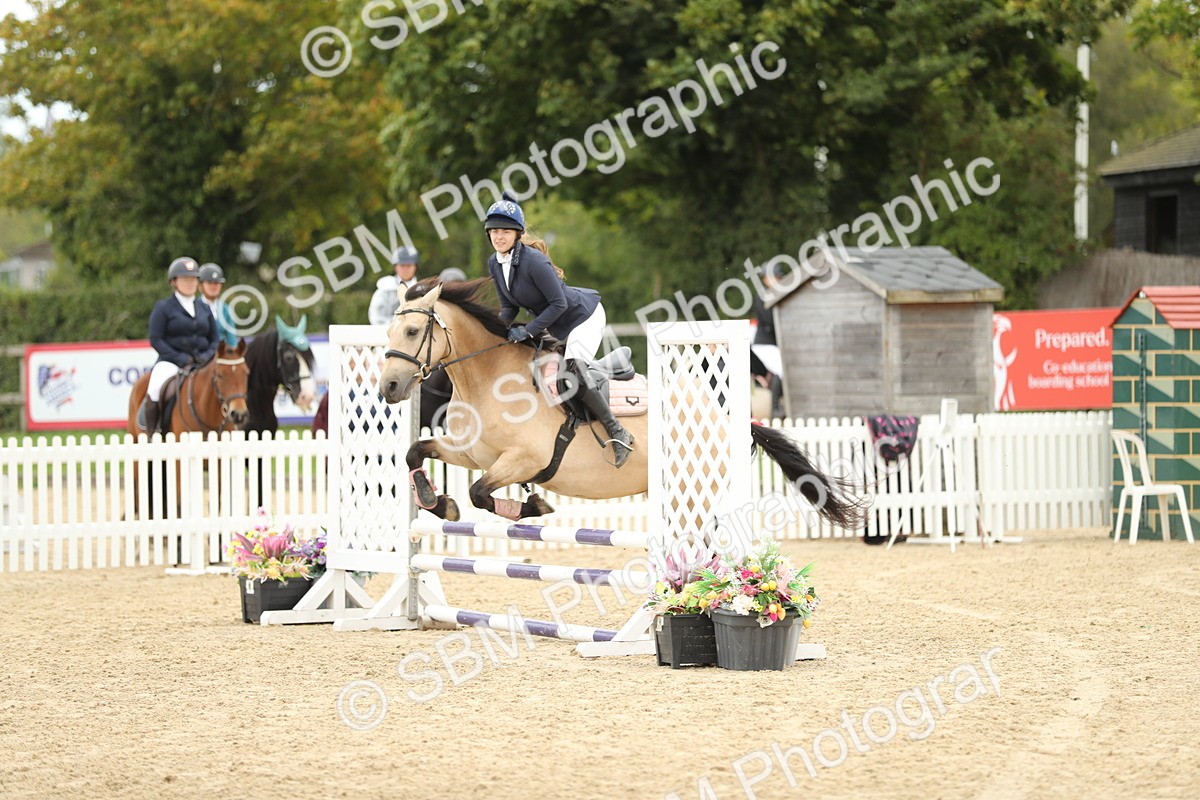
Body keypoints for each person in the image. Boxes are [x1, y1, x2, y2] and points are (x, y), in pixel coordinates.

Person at [483, 193, 634, 467]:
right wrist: (493, 331)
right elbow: (508, 308)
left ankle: (618, 432)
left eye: (505, 231)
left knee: (572, 372)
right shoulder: (495, 263)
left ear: (517, 234)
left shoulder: (533, 261)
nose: (498, 236)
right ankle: (606, 370)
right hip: (556, 324)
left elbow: (559, 303)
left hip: (582, 318)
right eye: (493, 231)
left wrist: (528, 331)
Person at [143, 256, 218, 432]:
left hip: (203, 362)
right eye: (185, 279)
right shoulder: (164, 308)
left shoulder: (204, 308)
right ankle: (154, 433)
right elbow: (156, 339)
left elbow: (214, 339)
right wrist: (181, 358)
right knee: (155, 389)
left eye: (193, 279)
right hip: (171, 362)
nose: (190, 283)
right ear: (174, 282)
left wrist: (206, 356)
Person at [369, 246, 421, 325]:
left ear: (415, 267)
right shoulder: (385, 288)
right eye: (402, 265)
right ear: (395, 267)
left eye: (409, 265)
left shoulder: (421, 290)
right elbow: (377, 318)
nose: (405, 269)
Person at [197, 263, 239, 348]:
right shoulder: (193, 307)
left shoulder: (226, 309)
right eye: (209, 283)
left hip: (221, 354)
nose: (213, 286)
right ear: (200, 286)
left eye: (216, 283)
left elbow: (231, 339)